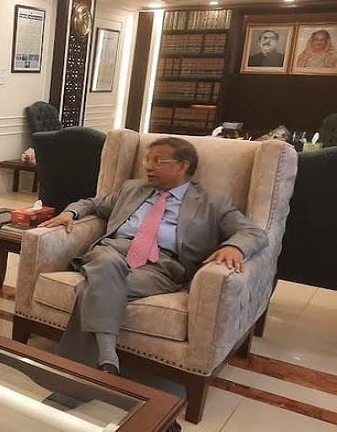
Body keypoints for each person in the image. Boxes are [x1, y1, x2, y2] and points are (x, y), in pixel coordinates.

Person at [39, 137, 268, 376]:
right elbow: (93, 204)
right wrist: (71, 213)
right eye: (147, 159)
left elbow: (253, 233)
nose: (148, 166)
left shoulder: (212, 201)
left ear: (183, 166)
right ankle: (106, 358)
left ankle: (77, 373)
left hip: (160, 268)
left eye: (157, 161)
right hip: (111, 251)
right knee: (108, 263)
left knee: (92, 289)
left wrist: (235, 247)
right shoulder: (132, 189)